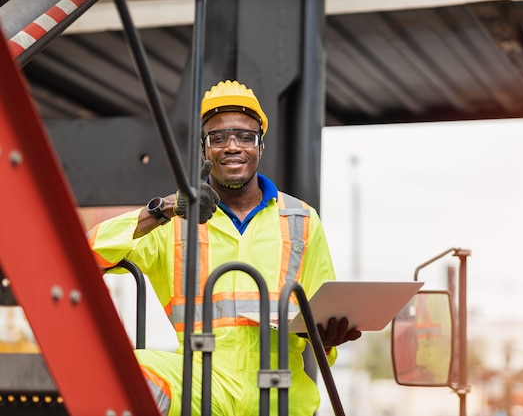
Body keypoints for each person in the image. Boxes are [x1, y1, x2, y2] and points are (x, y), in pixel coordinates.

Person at [87, 80, 361, 415]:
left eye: (245, 136)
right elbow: (84, 257)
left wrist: (328, 338)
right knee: (125, 370)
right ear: (203, 149)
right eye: (218, 137)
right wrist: (162, 209)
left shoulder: (301, 219)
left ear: (260, 147)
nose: (232, 146)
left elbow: (321, 313)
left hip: (280, 392)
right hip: (202, 386)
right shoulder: (173, 220)